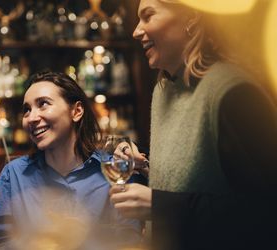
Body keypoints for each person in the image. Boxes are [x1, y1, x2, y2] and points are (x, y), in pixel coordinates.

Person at [109, 1, 277, 250]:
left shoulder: (233, 92)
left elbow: (264, 213)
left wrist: (160, 206)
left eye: (148, 16)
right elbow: (202, 180)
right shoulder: (164, 89)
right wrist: (147, 169)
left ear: (192, 18)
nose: (135, 31)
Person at [0, 71, 142, 249]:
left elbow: (129, 239)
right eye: (27, 110)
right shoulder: (13, 174)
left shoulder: (113, 169)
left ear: (76, 111)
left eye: (43, 104)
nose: (32, 118)